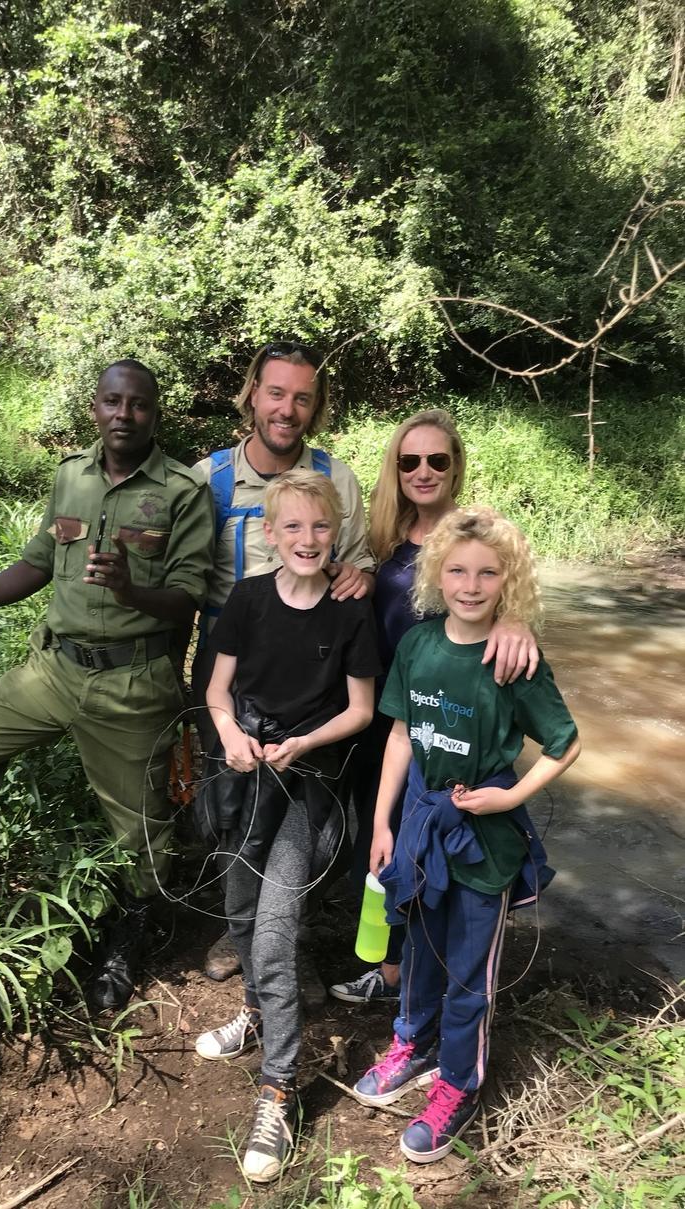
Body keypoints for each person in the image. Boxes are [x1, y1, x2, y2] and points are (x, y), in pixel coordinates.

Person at [0, 360, 215, 1011]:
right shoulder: (70, 475)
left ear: (154, 414)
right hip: (52, 669)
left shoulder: (182, 491)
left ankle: (130, 935)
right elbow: (36, 563)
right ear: (94, 407)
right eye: (111, 401)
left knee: (146, 842)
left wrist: (130, 587)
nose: (122, 414)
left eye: (137, 404)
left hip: (133, 684)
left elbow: (186, 599)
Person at [352, 506, 580, 1164]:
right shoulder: (419, 647)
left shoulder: (514, 658)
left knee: (467, 973)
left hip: (483, 842)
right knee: (420, 948)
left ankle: (458, 1082)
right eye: (456, 569)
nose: (471, 584)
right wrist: (380, 821)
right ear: (435, 573)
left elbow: (564, 742)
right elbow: (399, 733)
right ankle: (412, 1043)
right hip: (420, 824)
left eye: (488, 573)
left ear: (507, 582)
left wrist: (510, 794)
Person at [193, 470, 380, 1182]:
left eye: (320, 527)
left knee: (274, 920)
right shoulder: (246, 598)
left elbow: (361, 709)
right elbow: (216, 691)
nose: (307, 539)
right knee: (239, 907)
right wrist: (230, 731)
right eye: (292, 527)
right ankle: (254, 1011)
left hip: (313, 779)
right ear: (268, 533)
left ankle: (277, 1085)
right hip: (247, 773)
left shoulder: (349, 611)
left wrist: (303, 743)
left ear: (337, 532)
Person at [330, 409, 538, 1006]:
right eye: (409, 461)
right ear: (395, 469)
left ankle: (436, 976)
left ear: (455, 467)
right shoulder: (381, 538)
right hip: (381, 718)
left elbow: (510, 582)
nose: (423, 472)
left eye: (437, 460)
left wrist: (518, 620)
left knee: (440, 853)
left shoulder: (476, 534)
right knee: (379, 841)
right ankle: (391, 970)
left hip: (448, 726)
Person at [193, 340, 375, 984]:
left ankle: (288, 924)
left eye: (302, 398)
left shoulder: (338, 479)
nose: (287, 409)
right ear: (252, 394)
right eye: (276, 393)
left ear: (315, 407)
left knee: (310, 806)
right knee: (229, 801)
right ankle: (239, 928)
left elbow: (363, 564)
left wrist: (358, 573)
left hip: (313, 669)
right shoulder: (209, 479)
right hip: (227, 666)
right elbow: (180, 580)